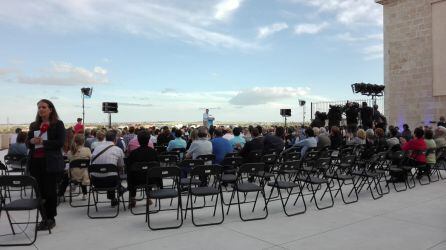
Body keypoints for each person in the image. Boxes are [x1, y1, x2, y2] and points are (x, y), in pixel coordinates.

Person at [26, 99, 66, 230]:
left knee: (50, 192)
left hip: (50, 163)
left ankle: (50, 218)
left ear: (50, 109)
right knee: (40, 193)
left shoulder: (58, 124)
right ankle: (43, 217)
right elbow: (27, 143)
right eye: (39, 107)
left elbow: (60, 142)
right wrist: (32, 140)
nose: (41, 109)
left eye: (43, 107)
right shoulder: (34, 125)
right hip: (35, 163)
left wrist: (43, 142)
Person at [91, 130, 126, 206]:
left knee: (110, 172)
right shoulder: (118, 150)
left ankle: (114, 197)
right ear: (115, 139)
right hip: (112, 181)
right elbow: (121, 166)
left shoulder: (96, 148)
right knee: (113, 173)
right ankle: (119, 190)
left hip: (96, 181)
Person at [126, 130, 159, 208]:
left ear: (138, 140)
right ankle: (149, 198)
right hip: (151, 180)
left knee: (131, 174)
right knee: (149, 172)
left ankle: (132, 198)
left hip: (136, 180)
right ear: (148, 140)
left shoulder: (133, 153)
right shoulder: (153, 152)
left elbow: (128, 168)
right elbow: (157, 167)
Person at [60, 134, 91, 200]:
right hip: (84, 175)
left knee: (66, 176)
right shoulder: (87, 150)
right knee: (83, 170)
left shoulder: (70, 152)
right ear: (83, 141)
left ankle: (61, 194)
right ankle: (85, 194)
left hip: (73, 175)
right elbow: (90, 159)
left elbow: (69, 159)